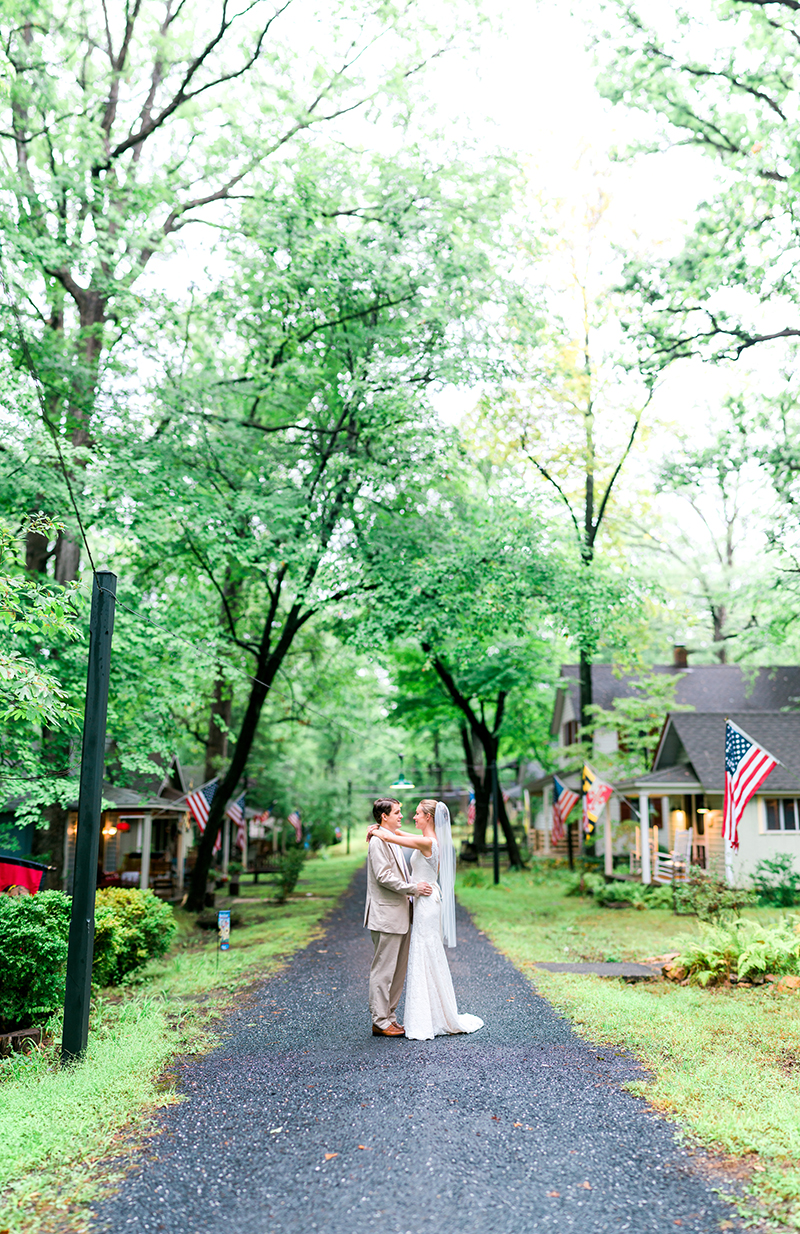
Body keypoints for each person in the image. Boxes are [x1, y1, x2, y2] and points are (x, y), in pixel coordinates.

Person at [367, 798, 484, 1041]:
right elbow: (394, 838)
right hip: (414, 904)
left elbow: (393, 836)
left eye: (417, 813)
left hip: (424, 903)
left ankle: (413, 1017)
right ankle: (388, 1019)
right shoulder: (421, 839)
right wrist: (379, 829)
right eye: (398, 812)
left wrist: (378, 829)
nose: (410, 816)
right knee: (405, 962)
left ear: (429, 817)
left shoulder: (426, 842)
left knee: (420, 957)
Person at [364, 797, 433, 1037]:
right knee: (383, 970)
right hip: (386, 915)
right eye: (397, 812)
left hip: (402, 915)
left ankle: (389, 1017)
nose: (401, 816)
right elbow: (383, 877)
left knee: (397, 971)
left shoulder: (390, 837)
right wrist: (413, 888)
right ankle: (380, 1020)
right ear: (384, 816)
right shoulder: (378, 841)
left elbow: (399, 843)